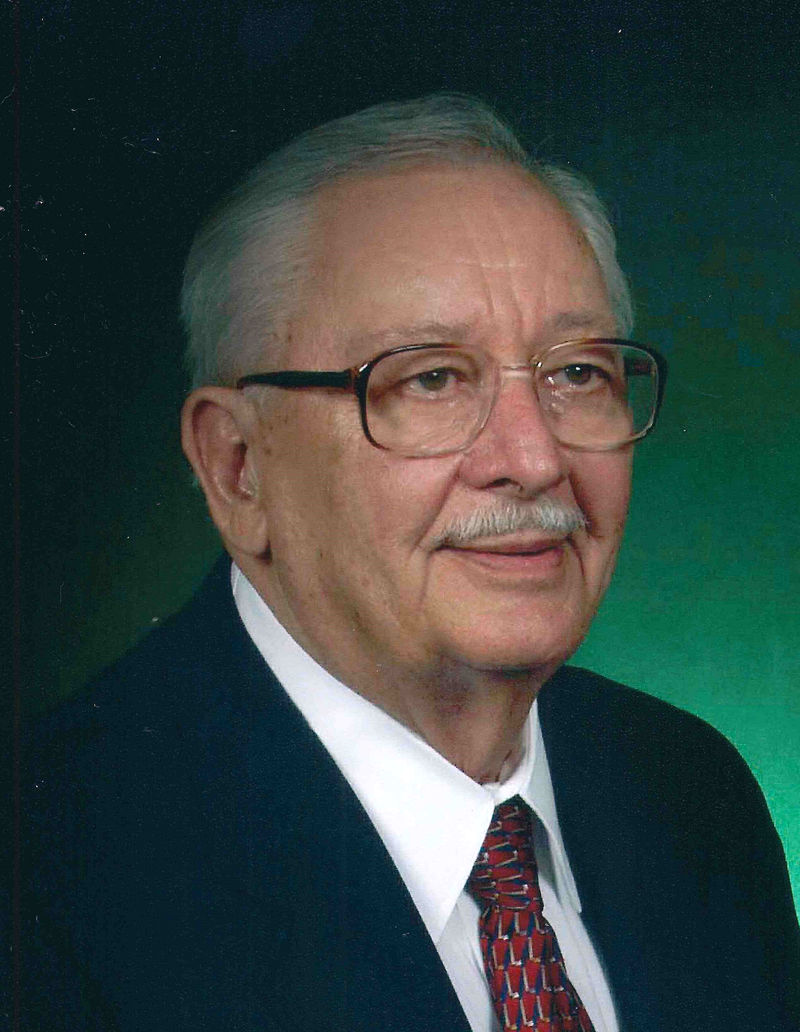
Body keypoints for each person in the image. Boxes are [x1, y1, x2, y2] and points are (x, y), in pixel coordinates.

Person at [16, 94, 799, 1031]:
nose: (534, 458)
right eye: (430, 378)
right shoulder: (49, 878)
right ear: (238, 467)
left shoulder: (692, 793)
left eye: (577, 373)